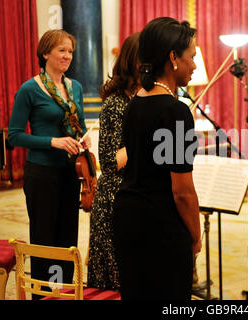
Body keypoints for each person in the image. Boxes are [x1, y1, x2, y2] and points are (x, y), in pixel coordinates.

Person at [112, 17, 201, 300]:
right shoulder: (176, 112)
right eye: (192, 57)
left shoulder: (135, 102)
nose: (195, 66)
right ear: (173, 57)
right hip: (160, 225)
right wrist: (196, 235)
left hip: (128, 218)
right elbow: (182, 191)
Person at [8, 29, 91, 299]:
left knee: (67, 240)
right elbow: (15, 135)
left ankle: (63, 294)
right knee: (44, 239)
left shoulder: (74, 87)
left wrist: (85, 138)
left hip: (69, 172)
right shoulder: (29, 89)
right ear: (45, 53)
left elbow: (79, 125)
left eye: (70, 51)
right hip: (41, 174)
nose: (67, 56)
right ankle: (43, 296)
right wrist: (53, 142)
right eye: (61, 51)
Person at [87, 33, 141, 291]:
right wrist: (144, 136)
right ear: (136, 62)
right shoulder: (116, 103)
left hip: (134, 194)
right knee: (114, 281)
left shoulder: (140, 100)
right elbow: (108, 162)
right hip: (114, 199)